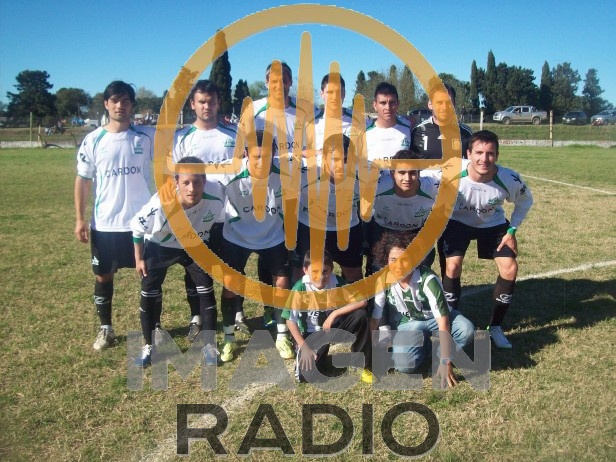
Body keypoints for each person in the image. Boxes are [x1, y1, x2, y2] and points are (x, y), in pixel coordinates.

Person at [74, 80, 154, 351]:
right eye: (115, 100)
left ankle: (151, 327)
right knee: (103, 276)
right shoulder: (93, 140)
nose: (120, 105)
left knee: (149, 276)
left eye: (126, 101)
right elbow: (83, 180)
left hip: (140, 225)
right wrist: (80, 218)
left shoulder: (146, 136)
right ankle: (106, 329)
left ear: (132, 105)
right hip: (105, 225)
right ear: (106, 104)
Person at [440, 130, 533, 349]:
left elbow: (525, 201)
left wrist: (512, 230)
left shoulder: (509, 178)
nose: (484, 159)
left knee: (509, 268)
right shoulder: (450, 170)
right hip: (457, 222)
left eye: (490, 153)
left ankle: (496, 327)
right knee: (452, 267)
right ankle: (450, 322)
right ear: (468, 154)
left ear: (497, 155)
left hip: (493, 224)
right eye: (479, 153)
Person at [131, 157, 226, 366]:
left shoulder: (218, 192)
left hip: (194, 244)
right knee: (149, 291)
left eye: (197, 182)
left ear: (204, 180)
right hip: (161, 245)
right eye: (185, 182)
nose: (192, 189)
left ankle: (210, 345)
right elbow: (137, 227)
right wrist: (139, 259)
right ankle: (149, 346)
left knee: (206, 289)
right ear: (176, 182)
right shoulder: (160, 203)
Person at [219, 129, 292, 362]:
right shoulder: (228, 172)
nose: (262, 162)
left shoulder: (286, 172)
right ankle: (229, 338)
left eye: (267, 156)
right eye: (256, 156)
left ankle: (282, 335)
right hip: (236, 236)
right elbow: (195, 174)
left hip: (272, 235)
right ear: (245, 154)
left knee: (282, 283)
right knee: (230, 286)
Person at [173, 79, 237, 341]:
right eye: (201, 101)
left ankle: (237, 315)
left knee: (232, 269)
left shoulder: (233, 135)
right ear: (193, 104)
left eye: (211, 101)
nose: (206, 106)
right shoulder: (182, 138)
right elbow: (174, 178)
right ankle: (196, 318)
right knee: (194, 270)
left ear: (218, 103)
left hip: (228, 215)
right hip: (196, 217)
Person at [370, 232, 474, 387]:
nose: (399, 265)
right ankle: (426, 348)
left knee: (466, 330)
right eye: (393, 260)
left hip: (435, 319)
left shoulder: (428, 279)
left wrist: (445, 361)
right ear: (386, 259)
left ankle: (441, 354)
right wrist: (371, 353)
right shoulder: (382, 280)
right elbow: (375, 319)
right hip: (409, 323)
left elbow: (443, 322)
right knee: (404, 366)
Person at [283, 250, 373, 384]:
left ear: (331, 270)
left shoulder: (336, 282)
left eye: (325, 271)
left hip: (332, 328)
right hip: (312, 333)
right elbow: (290, 321)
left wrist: (334, 314)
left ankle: (359, 365)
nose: (320, 276)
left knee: (360, 316)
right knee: (305, 376)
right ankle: (318, 357)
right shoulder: (300, 288)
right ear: (305, 270)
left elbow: (362, 301)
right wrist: (305, 347)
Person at [294, 134, 363, 284]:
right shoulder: (305, 171)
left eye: (346, 159)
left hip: (347, 228)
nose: (341, 165)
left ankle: (353, 300)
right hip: (311, 227)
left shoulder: (364, 174)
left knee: (354, 276)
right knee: (304, 275)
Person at [369, 148, 440, 272]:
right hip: (383, 229)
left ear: (419, 173)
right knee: (379, 268)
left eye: (412, 172)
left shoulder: (433, 187)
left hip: (416, 230)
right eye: (402, 172)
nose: (407, 178)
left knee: (420, 267)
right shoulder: (377, 186)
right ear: (392, 174)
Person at [410, 83, 472, 160]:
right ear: (430, 104)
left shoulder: (466, 133)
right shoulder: (417, 132)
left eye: (449, 102)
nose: (444, 107)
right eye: (439, 102)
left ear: (454, 105)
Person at [313, 73, 364, 151]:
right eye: (330, 92)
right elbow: (301, 151)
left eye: (339, 92)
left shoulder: (358, 119)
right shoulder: (310, 121)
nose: (334, 97)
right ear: (322, 94)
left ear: (344, 94)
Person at [365, 82, 411, 165]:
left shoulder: (409, 126)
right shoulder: (363, 131)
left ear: (398, 104)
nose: (388, 107)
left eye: (392, 102)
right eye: (383, 103)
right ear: (375, 105)